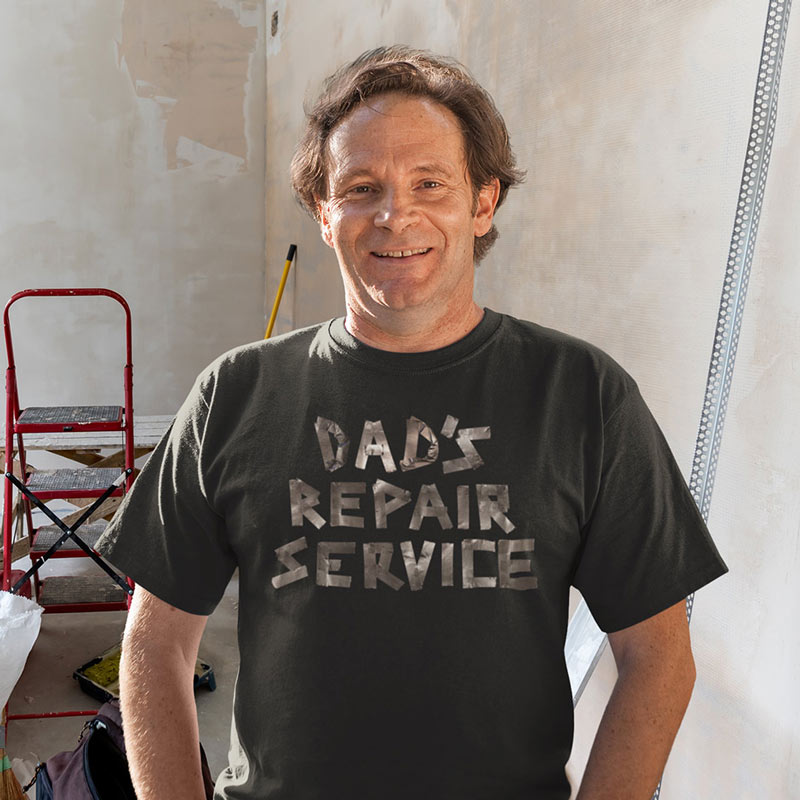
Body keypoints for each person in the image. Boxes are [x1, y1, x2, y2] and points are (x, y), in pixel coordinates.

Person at [96, 45, 728, 800]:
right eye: (362, 187)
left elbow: (659, 657)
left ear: (483, 201)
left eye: (430, 183)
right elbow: (155, 645)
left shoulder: (582, 395)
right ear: (326, 215)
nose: (396, 215)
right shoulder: (234, 396)